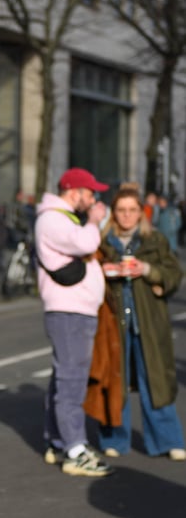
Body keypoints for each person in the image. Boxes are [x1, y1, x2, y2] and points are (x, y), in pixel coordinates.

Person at [86, 187, 185, 460]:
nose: (127, 216)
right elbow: (86, 274)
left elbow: (174, 274)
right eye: (121, 210)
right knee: (114, 380)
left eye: (132, 210)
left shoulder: (154, 240)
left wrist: (148, 271)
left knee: (156, 380)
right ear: (113, 213)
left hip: (149, 322)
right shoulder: (102, 242)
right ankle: (114, 439)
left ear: (141, 212)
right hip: (112, 323)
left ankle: (168, 440)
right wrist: (104, 272)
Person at [35, 167, 113, 477]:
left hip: (75, 310)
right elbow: (84, 244)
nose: (93, 199)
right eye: (90, 192)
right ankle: (75, 449)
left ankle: (57, 441)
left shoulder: (60, 217)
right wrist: (94, 220)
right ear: (74, 191)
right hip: (70, 311)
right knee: (72, 379)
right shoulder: (53, 218)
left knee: (64, 377)